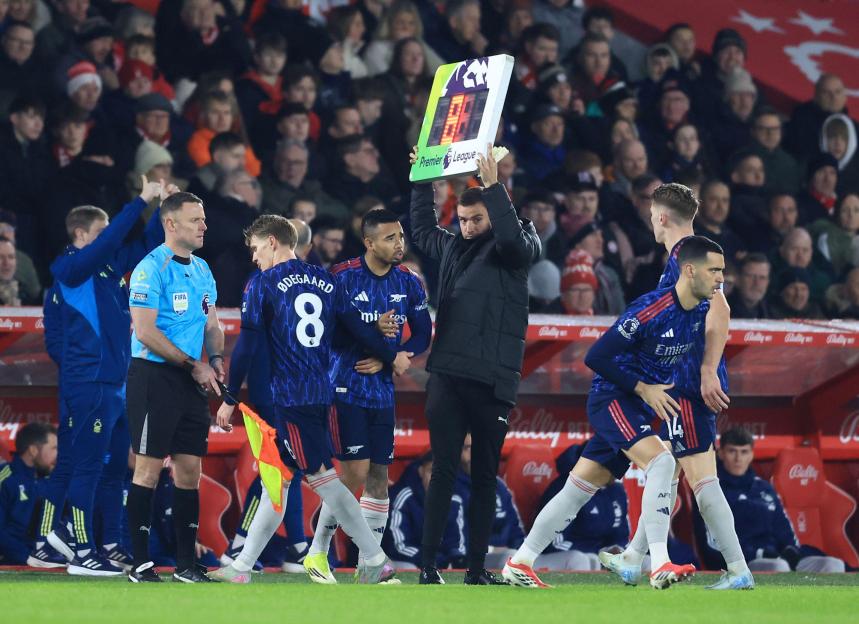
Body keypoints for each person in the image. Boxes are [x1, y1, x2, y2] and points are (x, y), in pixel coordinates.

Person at [503, 236, 723, 590]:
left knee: (577, 490)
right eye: (714, 270)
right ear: (690, 271)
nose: (720, 279)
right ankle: (660, 564)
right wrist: (644, 389)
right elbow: (597, 357)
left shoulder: (700, 312)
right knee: (663, 463)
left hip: (637, 406)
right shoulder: (650, 310)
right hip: (613, 398)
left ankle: (520, 561)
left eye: (722, 272)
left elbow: (716, 329)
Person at [211, 214, 412, 585]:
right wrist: (388, 351)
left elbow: (247, 348)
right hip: (323, 392)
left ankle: (374, 558)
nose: (254, 258)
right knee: (281, 480)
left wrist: (228, 397)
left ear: (273, 241)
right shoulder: (326, 280)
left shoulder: (263, 283)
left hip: (290, 395)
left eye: (255, 249)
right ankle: (241, 567)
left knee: (324, 479)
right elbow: (354, 329)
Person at [601, 185, 754, 591]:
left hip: (687, 385)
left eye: (652, 214)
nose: (651, 221)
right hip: (682, 383)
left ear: (662, 217)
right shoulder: (687, 252)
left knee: (702, 481)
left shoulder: (687, 256)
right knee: (665, 472)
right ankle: (634, 558)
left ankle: (738, 569)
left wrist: (706, 371)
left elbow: (720, 309)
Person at [409, 144, 540, 585]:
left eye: (476, 220)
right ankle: (428, 567)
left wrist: (493, 187)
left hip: (492, 379)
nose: (466, 228)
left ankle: (476, 570)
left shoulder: (515, 248)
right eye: (462, 220)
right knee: (444, 470)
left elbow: (512, 242)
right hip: (447, 375)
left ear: (496, 213)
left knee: (484, 474)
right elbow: (423, 228)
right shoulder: (451, 247)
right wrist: (422, 179)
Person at [28, 181, 168, 576]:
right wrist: (140, 200)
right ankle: (80, 549)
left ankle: (107, 543)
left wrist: (160, 209)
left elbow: (144, 248)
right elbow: (56, 337)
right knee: (82, 466)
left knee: (112, 469)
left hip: (116, 382)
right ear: (80, 234)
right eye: (101, 231)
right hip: (89, 382)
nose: (109, 238)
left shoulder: (106, 268)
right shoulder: (69, 268)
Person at [304, 208, 432, 582]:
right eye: (390, 238)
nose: (399, 244)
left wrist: (399, 355)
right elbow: (329, 333)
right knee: (354, 473)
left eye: (401, 237)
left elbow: (423, 331)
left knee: (379, 474)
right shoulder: (341, 278)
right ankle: (318, 551)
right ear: (369, 242)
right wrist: (381, 347)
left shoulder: (408, 280)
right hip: (343, 386)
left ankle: (367, 565)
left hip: (381, 390)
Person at [125, 190, 225, 583]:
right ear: (171, 223)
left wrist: (215, 361)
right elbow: (145, 332)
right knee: (148, 470)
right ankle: (140, 563)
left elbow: (212, 324)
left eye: (203, 219)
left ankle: (185, 564)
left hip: (192, 378)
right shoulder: (150, 269)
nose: (203, 226)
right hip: (154, 378)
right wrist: (194, 364)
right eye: (195, 219)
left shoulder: (202, 270)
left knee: (189, 470)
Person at [694, 428, 845, 574]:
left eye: (744, 452)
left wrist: (791, 550)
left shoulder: (764, 489)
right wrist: (759, 553)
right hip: (740, 564)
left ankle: (817, 601)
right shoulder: (710, 490)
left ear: (751, 455)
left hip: (777, 557)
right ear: (721, 454)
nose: (738, 459)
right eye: (732, 451)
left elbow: (785, 532)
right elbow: (712, 546)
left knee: (832, 565)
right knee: (778, 567)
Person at [0, 423, 57, 565]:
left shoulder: (54, 482)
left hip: (46, 563)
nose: (58, 454)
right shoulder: (6, 478)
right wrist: (28, 558)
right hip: (11, 566)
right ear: (33, 450)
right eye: (54, 448)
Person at [728, 254, 771, 319]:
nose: (757, 283)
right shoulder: (720, 310)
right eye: (750, 276)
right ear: (738, 279)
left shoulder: (775, 314)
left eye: (762, 278)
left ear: (768, 282)